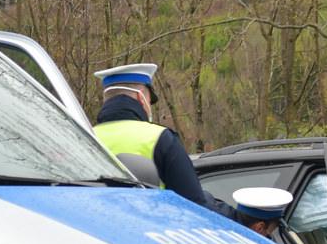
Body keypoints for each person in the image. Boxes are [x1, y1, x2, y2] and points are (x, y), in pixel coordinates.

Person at [93, 63, 238, 220]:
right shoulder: (160, 138)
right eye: (149, 101)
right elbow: (193, 206)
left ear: (105, 100)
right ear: (141, 98)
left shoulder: (83, 137)